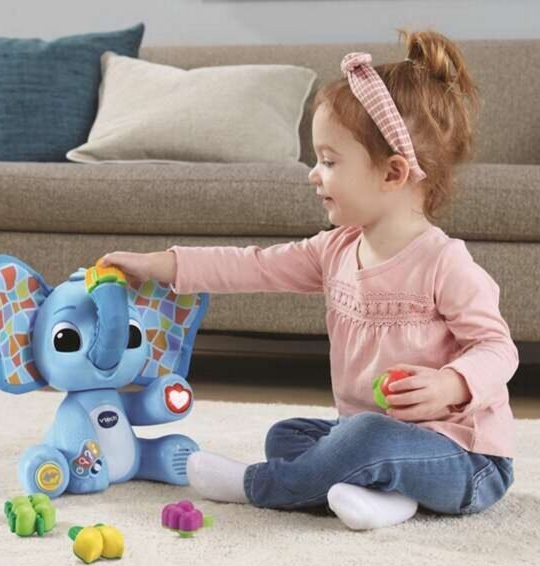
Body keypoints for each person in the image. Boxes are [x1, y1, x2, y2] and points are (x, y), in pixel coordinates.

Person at [98, 29, 517, 530]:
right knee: (288, 435)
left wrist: (452, 383)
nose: (313, 174)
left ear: (392, 173)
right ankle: (386, 498)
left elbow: (498, 349)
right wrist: (161, 265)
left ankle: (257, 485)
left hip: (464, 459)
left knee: (365, 437)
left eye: (329, 161)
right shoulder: (335, 249)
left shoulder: (444, 263)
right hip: (368, 435)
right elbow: (253, 266)